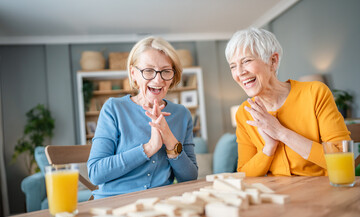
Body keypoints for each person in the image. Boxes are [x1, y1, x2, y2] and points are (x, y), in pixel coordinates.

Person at [225, 28, 350, 177]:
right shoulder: (244, 112)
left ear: (273, 60)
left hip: (321, 193)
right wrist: (269, 148)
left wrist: (281, 133)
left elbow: (343, 160)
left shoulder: (315, 93)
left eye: (246, 61)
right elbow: (244, 174)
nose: (239, 72)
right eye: (233, 66)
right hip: (278, 196)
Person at [87, 36, 198, 199]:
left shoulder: (182, 114)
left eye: (166, 71)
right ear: (134, 74)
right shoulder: (114, 108)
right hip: (115, 203)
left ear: (173, 76)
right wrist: (150, 147)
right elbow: (96, 173)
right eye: (148, 71)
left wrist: (168, 138)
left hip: (162, 202)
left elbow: (189, 177)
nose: (158, 79)